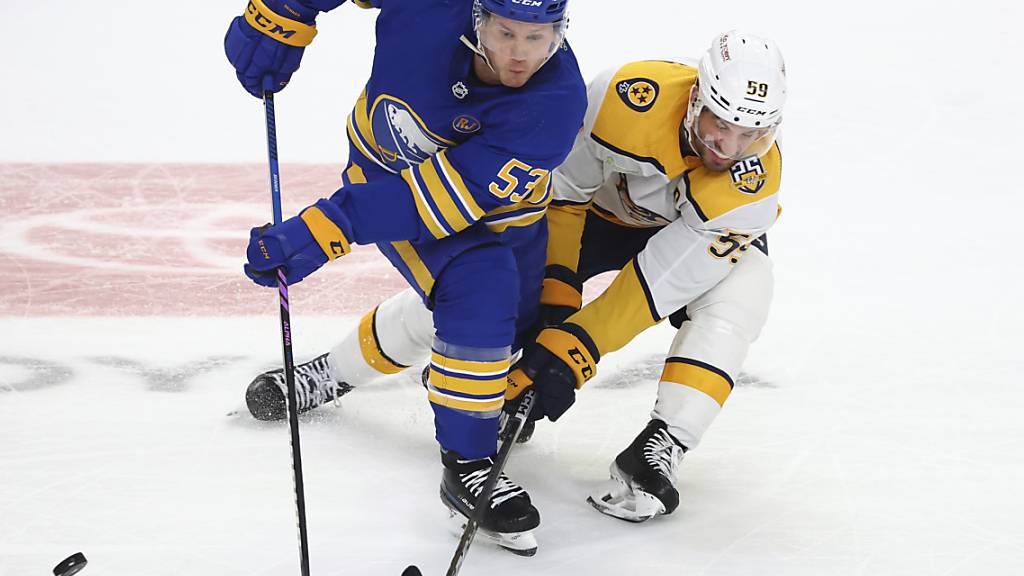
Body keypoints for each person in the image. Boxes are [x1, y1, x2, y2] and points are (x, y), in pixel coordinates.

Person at [225, 0, 586, 555]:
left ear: (559, 33)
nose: (519, 54)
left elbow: (437, 199)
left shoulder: (555, 102)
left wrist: (324, 226)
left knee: (506, 330)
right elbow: (409, 206)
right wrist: (283, 12)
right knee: (480, 289)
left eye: (537, 38)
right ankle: (468, 465)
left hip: (499, 215)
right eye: (505, 32)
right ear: (477, 18)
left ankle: (338, 371)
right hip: (383, 182)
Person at [505, 29, 787, 522]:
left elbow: (655, 283)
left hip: (687, 238)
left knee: (747, 287)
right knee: (493, 280)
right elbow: (562, 193)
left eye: (751, 135)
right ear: (696, 98)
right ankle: (356, 361)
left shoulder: (752, 189)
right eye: (721, 124)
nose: (729, 147)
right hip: (594, 216)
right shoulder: (622, 97)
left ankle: (665, 441)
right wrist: (555, 293)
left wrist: (573, 349)